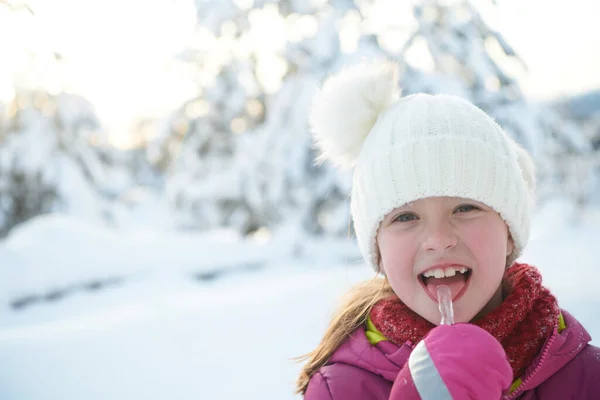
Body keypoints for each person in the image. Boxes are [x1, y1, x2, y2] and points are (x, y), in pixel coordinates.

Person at [296, 62, 600, 399]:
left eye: (466, 208)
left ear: (510, 231)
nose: (439, 240)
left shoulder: (586, 377)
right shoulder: (341, 390)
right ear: (378, 249)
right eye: (405, 217)